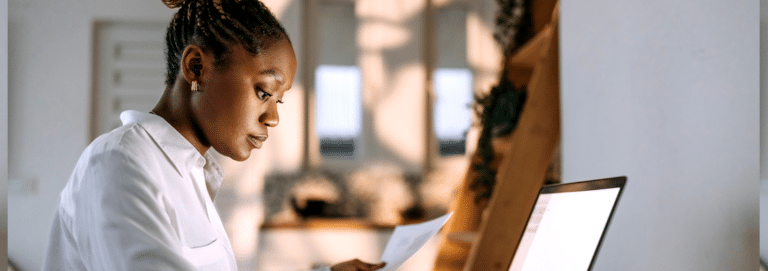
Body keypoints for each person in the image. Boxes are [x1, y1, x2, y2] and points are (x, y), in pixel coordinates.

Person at [42, 0, 386, 270]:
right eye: (264, 92)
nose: (274, 117)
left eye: (278, 100)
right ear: (196, 68)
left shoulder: (189, 172)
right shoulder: (118, 163)